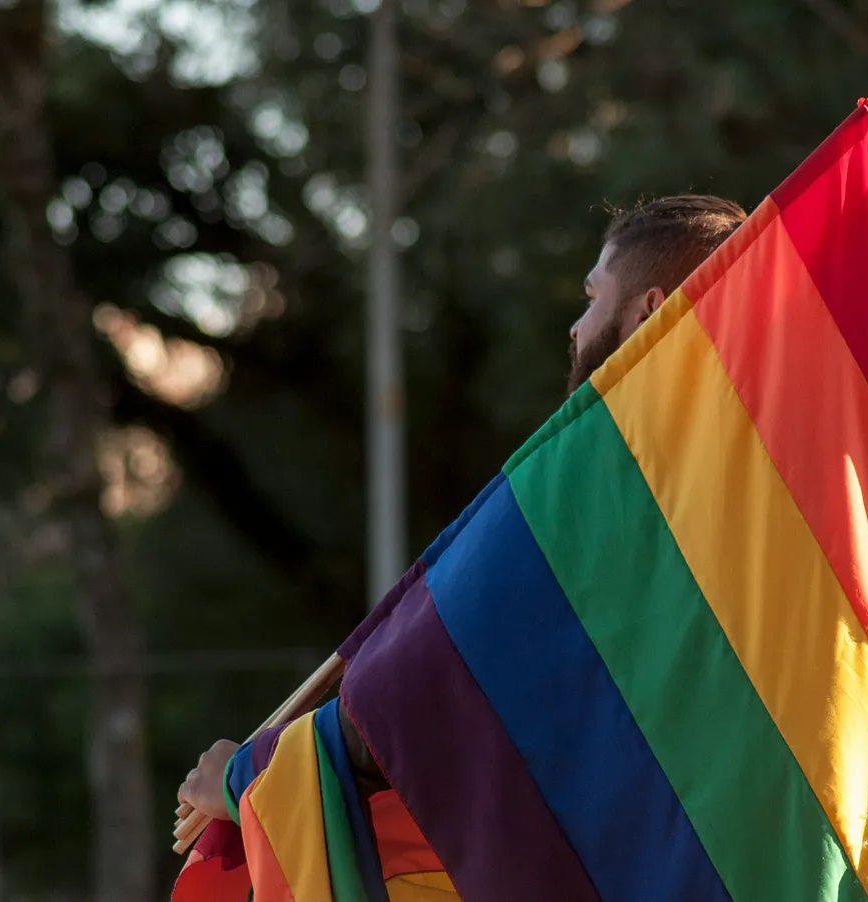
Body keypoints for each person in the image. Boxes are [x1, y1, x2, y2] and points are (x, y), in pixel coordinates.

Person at [177, 193, 749, 826]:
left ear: (653, 311)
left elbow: (438, 698)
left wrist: (248, 777)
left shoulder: (601, 492)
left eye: (592, 298)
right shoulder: (770, 497)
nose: (576, 327)